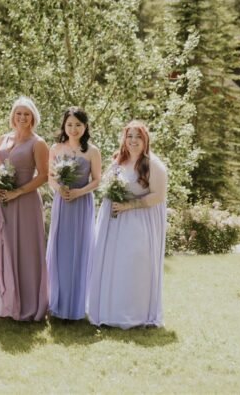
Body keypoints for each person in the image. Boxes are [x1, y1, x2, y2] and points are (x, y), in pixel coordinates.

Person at [86, 120, 168, 329]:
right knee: (114, 266)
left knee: (133, 266)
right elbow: (105, 184)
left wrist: (129, 205)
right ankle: (110, 311)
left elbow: (158, 196)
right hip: (114, 224)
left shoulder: (153, 164)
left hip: (138, 222)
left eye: (138, 136)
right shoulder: (118, 161)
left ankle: (133, 314)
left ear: (145, 140)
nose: (133, 140)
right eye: (129, 136)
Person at [0, 95, 49, 321]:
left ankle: (29, 304)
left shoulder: (38, 143)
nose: (22, 117)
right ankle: (7, 301)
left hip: (26, 202)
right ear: (13, 116)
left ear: (33, 117)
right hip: (5, 200)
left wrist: (18, 191)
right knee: (5, 245)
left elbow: (43, 175)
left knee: (26, 250)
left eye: (26, 114)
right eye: (18, 113)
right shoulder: (4, 139)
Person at [46, 107, 101, 321]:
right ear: (64, 126)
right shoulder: (56, 148)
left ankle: (76, 305)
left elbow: (97, 180)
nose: (73, 128)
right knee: (61, 249)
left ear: (85, 126)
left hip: (82, 203)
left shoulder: (92, 151)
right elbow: (50, 177)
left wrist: (80, 191)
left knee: (80, 249)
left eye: (78, 124)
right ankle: (57, 302)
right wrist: (59, 189)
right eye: (69, 124)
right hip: (62, 203)